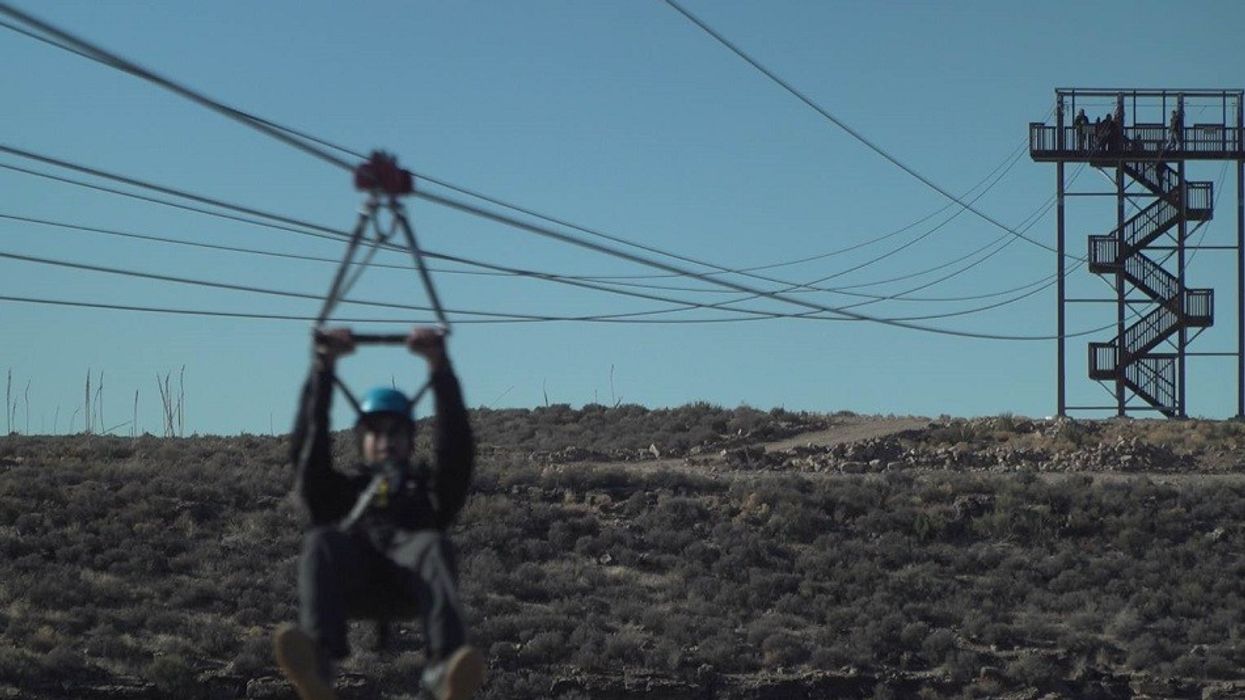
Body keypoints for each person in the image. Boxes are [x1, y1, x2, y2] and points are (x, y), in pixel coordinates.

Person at [275, 325, 484, 700]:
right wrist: (324, 369)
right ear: (361, 441)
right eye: (375, 432)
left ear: (409, 440)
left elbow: (457, 451)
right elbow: (307, 451)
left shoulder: (427, 496)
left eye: (396, 432)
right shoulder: (339, 493)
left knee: (434, 545)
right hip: (352, 580)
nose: (386, 440)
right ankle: (318, 669)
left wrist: (440, 368)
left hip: (408, 583)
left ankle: (444, 673)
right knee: (322, 539)